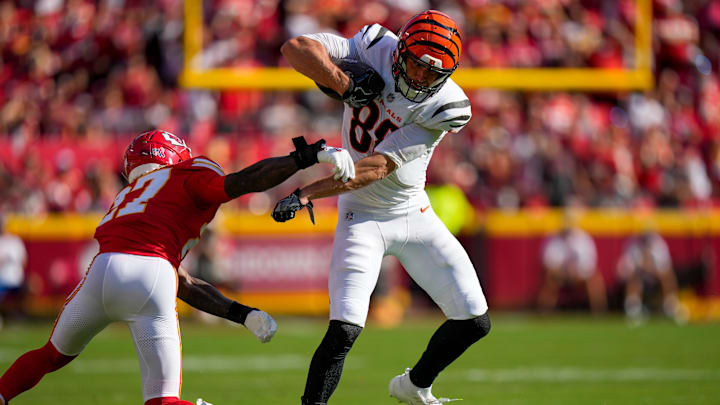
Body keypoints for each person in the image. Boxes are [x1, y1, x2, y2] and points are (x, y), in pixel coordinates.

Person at [0, 130, 355, 405]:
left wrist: (242, 314)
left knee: (50, 355)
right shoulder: (187, 173)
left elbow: (182, 282)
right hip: (151, 275)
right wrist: (305, 157)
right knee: (162, 400)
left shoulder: (128, 194)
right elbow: (241, 182)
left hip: (100, 272)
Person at [275, 10, 490, 405]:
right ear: (400, 51)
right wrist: (343, 83)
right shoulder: (375, 45)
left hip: (411, 211)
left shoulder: (447, 106)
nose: (422, 79)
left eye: (432, 74)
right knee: (344, 330)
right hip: (362, 215)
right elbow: (297, 48)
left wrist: (308, 193)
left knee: (474, 320)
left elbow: (376, 167)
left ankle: (414, 385)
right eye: (416, 66)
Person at [537, 218, 607, 314]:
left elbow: (589, 264)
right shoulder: (552, 238)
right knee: (549, 279)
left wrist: (576, 271)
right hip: (559, 274)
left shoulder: (583, 238)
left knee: (595, 280)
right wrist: (560, 270)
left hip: (579, 274)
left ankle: (599, 312)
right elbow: (548, 262)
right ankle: (544, 313)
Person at [617, 231, 680, 322]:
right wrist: (642, 267)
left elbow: (664, 267)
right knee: (634, 279)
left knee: (668, 276)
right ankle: (633, 310)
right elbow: (628, 267)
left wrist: (650, 268)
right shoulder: (631, 243)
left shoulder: (659, 243)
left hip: (655, 276)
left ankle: (670, 307)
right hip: (639, 276)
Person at [0, 213, 27, 330]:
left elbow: (23, 260)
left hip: (16, 279)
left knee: (31, 285)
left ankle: (18, 314)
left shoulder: (15, 241)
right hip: (3, 280)